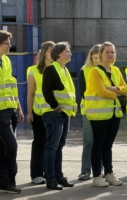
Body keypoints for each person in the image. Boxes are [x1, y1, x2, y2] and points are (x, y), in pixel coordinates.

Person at [84, 41, 127, 187]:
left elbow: (126, 89)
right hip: (99, 115)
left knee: (108, 145)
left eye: (112, 52)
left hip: (114, 114)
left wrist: (113, 88)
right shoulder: (95, 72)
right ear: (101, 54)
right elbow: (101, 91)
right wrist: (117, 92)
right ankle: (97, 176)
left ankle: (109, 174)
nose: (110, 54)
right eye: (107, 52)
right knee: (98, 144)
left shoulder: (115, 70)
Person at [42, 42, 77, 190]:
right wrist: (56, 107)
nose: (70, 53)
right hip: (54, 114)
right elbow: (47, 91)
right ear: (59, 54)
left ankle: (58, 176)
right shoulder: (51, 69)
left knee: (59, 146)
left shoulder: (64, 70)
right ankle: (50, 179)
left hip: (64, 114)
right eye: (67, 51)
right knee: (52, 146)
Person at [27, 41, 55, 185]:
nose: (53, 53)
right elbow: (30, 93)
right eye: (51, 51)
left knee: (52, 144)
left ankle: (50, 173)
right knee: (39, 143)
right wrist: (29, 112)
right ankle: (36, 174)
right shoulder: (33, 70)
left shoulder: (59, 69)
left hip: (55, 112)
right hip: (39, 113)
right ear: (44, 52)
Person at [0, 30, 24, 194]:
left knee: (3, 147)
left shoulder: (7, 60)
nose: (10, 45)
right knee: (11, 146)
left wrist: (18, 108)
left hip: (10, 109)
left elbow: (12, 86)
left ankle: (4, 181)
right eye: (7, 42)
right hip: (0, 113)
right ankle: (8, 178)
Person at [78, 44, 102, 180]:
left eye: (100, 57)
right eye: (95, 58)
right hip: (89, 111)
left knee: (102, 142)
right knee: (89, 141)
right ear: (91, 57)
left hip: (105, 111)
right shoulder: (85, 70)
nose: (98, 60)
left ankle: (101, 169)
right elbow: (82, 92)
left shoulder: (107, 70)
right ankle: (85, 170)